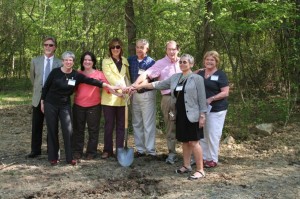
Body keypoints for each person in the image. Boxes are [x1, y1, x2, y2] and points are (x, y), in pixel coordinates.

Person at [133, 54, 207, 180]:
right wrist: (139, 86)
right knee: (184, 141)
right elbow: (159, 84)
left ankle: (200, 170)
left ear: (191, 64)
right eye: (181, 62)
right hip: (180, 114)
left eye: (185, 62)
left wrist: (202, 115)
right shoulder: (175, 78)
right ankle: (186, 165)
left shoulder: (196, 78)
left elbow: (202, 98)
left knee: (194, 142)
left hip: (193, 115)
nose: (182, 64)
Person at [41, 51, 119, 166]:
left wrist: (108, 86)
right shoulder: (55, 72)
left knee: (68, 131)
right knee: (52, 130)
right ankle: (53, 157)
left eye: (70, 60)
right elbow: (46, 87)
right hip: (50, 103)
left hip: (64, 105)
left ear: (73, 62)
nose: (68, 62)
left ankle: (69, 157)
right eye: (66, 60)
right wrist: (42, 101)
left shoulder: (76, 75)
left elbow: (92, 81)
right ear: (62, 61)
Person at [132, 40, 181, 164]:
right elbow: (147, 75)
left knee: (187, 125)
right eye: (169, 49)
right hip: (168, 99)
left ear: (178, 50)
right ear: (166, 50)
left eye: (173, 49)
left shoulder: (183, 62)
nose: (171, 51)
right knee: (170, 125)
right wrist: (135, 85)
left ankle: (190, 154)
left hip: (185, 99)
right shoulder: (160, 63)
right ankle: (172, 153)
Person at [27, 36, 62, 158]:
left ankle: (51, 150)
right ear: (43, 46)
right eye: (46, 44)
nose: (48, 47)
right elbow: (33, 79)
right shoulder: (35, 61)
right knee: (36, 125)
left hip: (53, 98)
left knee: (52, 125)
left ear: (55, 47)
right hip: (38, 98)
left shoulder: (60, 63)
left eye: (51, 45)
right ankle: (35, 150)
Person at [72, 51, 110, 160]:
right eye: (85, 60)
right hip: (78, 105)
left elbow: (107, 87)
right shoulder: (77, 74)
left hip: (94, 106)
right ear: (82, 62)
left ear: (93, 62)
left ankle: (91, 152)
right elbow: (70, 88)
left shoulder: (99, 74)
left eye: (89, 60)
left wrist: (117, 92)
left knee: (93, 130)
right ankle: (78, 152)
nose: (87, 62)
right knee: (78, 130)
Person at [198, 50, 229, 168]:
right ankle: (205, 158)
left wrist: (212, 98)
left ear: (216, 62)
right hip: (202, 109)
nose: (209, 62)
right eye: (207, 59)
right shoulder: (200, 73)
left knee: (213, 133)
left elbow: (225, 92)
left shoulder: (220, 74)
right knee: (203, 134)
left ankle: (213, 159)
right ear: (204, 61)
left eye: (212, 60)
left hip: (217, 109)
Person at [101, 38, 130, 159]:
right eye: (113, 47)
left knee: (121, 125)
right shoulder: (105, 61)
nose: (115, 49)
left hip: (123, 98)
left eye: (118, 47)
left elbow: (127, 77)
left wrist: (129, 89)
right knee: (109, 125)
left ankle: (119, 149)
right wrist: (121, 88)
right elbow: (109, 77)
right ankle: (107, 150)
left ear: (121, 48)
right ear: (110, 49)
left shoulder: (125, 61)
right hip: (110, 97)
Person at [128, 39, 156, 157]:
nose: (139, 49)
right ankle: (140, 149)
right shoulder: (130, 60)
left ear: (147, 49)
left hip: (147, 94)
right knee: (137, 122)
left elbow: (149, 78)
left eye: (142, 47)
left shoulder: (151, 62)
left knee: (148, 123)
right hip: (134, 95)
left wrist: (137, 86)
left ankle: (150, 151)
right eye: (138, 47)